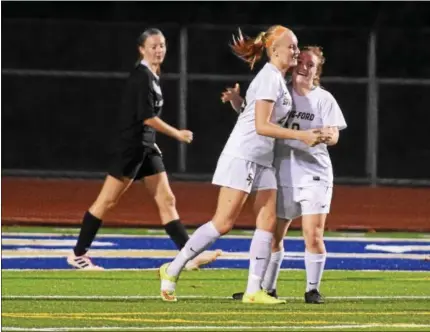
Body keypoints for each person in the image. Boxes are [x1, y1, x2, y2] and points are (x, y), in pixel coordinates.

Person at [159, 26, 330, 304]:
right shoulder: (269, 78)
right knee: (223, 223)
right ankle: (173, 268)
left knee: (268, 220)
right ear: (274, 51)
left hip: (263, 159)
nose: (296, 52)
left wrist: (239, 103)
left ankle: (253, 290)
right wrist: (302, 135)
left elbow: (254, 116)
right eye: (292, 47)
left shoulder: (278, 80)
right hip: (243, 155)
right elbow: (262, 126)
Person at [67, 28, 221, 271]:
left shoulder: (153, 76)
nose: (158, 50)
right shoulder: (142, 77)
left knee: (167, 199)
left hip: (147, 147)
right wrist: (177, 134)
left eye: (161, 45)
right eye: (153, 46)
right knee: (106, 201)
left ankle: (188, 256)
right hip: (132, 147)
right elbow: (147, 118)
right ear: (142, 50)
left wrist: (152, 141)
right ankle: (78, 254)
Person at [223, 46, 347, 304]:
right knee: (272, 235)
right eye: (300, 61)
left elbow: (334, 134)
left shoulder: (324, 99)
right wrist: (237, 102)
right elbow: (258, 118)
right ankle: (266, 288)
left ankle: (312, 290)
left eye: (310, 64)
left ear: (317, 70)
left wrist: (325, 135)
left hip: (314, 174)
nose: (303, 66)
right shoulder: (281, 93)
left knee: (313, 235)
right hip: (281, 173)